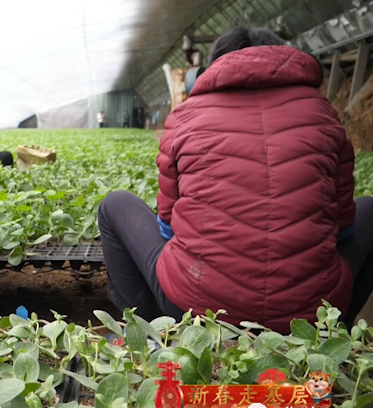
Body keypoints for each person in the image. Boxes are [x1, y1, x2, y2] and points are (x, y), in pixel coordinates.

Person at [97, 27, 373, 333]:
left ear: (212, 68)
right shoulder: (323, 113)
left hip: (196, 309)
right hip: (309, 315)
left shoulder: (186, 116)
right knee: (370, 210)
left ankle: (148, 332)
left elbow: (168, 224)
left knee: (114, 204)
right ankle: (335, 333)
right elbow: (344, 226)